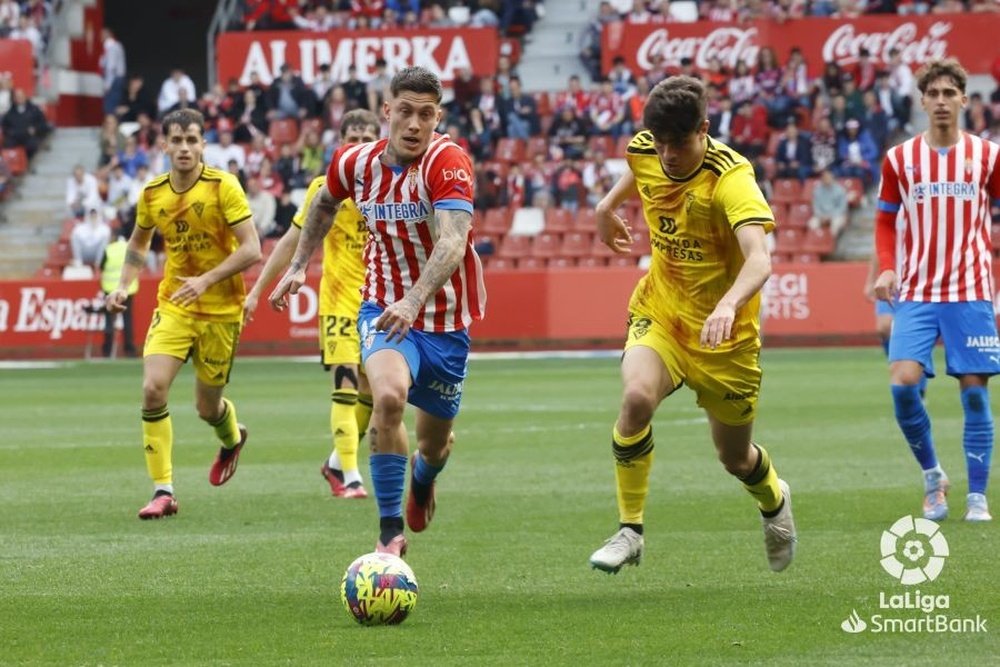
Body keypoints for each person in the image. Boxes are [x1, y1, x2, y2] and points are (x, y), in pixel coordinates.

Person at [269, 67, 486, 557]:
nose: (414, 124)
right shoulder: (354, 162)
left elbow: (452, 242)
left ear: (438, 117)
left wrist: (415, 299)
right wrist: (301, 264)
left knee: (434, 445)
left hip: (445, 322)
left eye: (425, 115)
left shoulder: (448, 163)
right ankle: (389, 532)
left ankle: (423, 480)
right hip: (383, 310)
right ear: (388, 111)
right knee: (387, 398)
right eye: (405, 111)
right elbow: (324, 204)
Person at [587, 76, 797, 574]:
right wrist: (605, 207)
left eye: (678, 144)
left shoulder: (731, 177)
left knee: (735, 458)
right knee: (636, 398)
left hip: (726, 340)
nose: (667, 155)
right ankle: (629, 530)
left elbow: (759, 260)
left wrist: (727, 305)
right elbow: (637, 172)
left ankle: (773, 500)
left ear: (703, 129)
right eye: (659, 142)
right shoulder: (647, 150)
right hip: (661, 312)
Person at [105, 108, 262, 520]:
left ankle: (231, 438)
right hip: (174, 303)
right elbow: (139, 242)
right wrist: (124, 284)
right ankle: (163, 491)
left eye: (192, 140)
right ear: (164, 145)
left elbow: (252, 248)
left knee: (207, 408)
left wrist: (207, 280)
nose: (185, 148)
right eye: (176, 141)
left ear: (203, 144)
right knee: (153, 388)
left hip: (221, 310)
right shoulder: (152, 194)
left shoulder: (223, 187)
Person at [872, 58, 1000, 523]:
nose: (942, 101)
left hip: (971, 292)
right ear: (922, 101)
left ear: (964, 99)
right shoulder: (900, 159)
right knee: (903, 387)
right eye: (935, 94)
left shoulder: (988, 156)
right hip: (918, 292)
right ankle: (933, 477)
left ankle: (977, 498)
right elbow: (885, 219)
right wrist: (887, 269)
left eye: (951, 93)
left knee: (973, 393)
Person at [244, 109, 380, 500]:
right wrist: (257, 290)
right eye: (351, 138)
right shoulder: (326, 187)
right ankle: (351, 476)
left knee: (376, 394)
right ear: (341, 143)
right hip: (339, 302)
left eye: (365, 139)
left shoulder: (390, 188)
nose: (358, 145)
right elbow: (291, 240)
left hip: (379, 303)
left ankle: (336, 463)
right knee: (345, 385)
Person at [99, 220, 139, 357]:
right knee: (128, 320)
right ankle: (130, 350)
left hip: (110, 289)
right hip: (128, 290)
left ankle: (107, 350)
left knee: (109, 320)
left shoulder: (109, 249)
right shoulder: (129, 247)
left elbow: (101, 267)